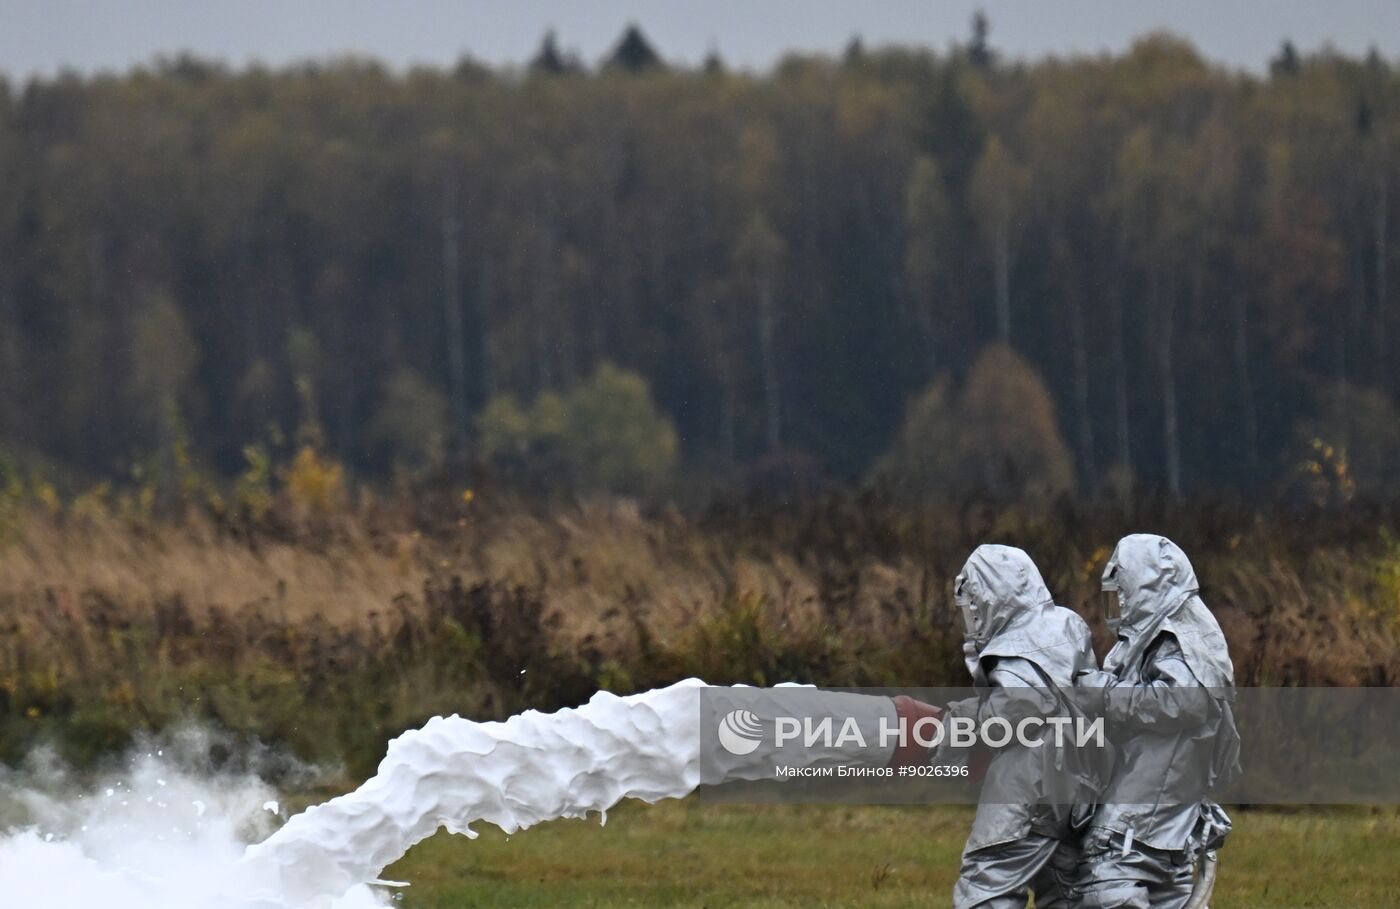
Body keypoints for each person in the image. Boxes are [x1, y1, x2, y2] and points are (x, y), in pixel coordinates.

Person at [1075, 534, 1239, 909]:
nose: (1117, 606)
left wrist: (1100, 692)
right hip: (1160, 817)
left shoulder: (1177, 638)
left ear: (1146, 589)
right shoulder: (1169, 635)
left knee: (1102, 890)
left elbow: (1181, 702)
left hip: (1139, 816)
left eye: (1123, 593)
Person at [943, 544, 1098, 909]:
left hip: (1027, 783)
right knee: (1064, 891)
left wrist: (968, 724)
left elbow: (1023, 701)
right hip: (1077, 786)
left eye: (973, 608)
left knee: (987, 882)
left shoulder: (1018, 642)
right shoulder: (1066, 624)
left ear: (991, 599)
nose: (972, 620)